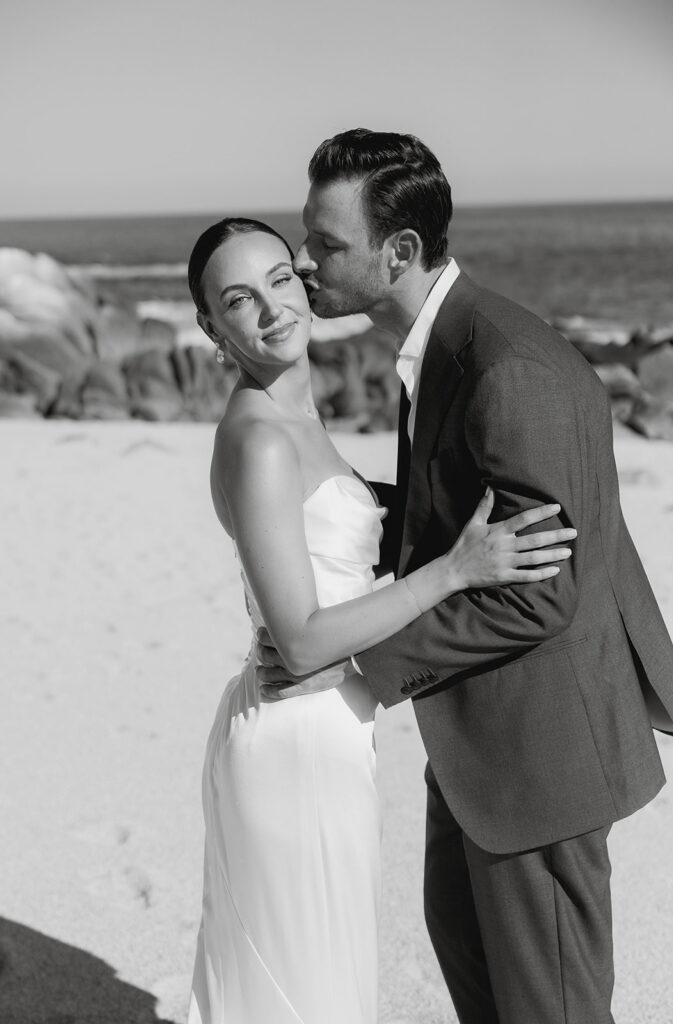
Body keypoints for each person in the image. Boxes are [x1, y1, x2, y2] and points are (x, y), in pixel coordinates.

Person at [257, 130, 673, 1024]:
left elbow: (539, 591)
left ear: (398, 251)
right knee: (469, 962)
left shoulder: (505, 368)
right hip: (478, 748)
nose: (305, 263)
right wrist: (327, 503)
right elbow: (446, 511)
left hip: (541, 754)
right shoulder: (445, 346)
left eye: (326, 245)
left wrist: (358, 664)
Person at [185, 216, 576, 1024]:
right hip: (293, 742)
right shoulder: (258, 438)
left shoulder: (297, 417)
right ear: (210, 327)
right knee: (309, 992)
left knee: (322, 983)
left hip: (329, 732)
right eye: (238, 300)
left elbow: (340, 549)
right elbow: (298, 640)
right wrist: (455, 570)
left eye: (280, 281)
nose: (270, 310)